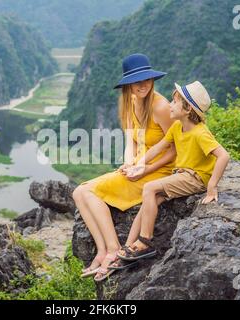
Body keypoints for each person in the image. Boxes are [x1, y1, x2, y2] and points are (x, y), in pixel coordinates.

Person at [72, 53, 176, 281]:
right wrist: (129, 162)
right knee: (78, 192)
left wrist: (143, 169)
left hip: (158, 170)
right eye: (137, 81)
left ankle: (113, 249)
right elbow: (132, 140)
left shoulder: (161, 107)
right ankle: (102, 250)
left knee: (89, 191)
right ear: (128, 84)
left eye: (147, 79)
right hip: (138, 167)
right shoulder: (130, 102)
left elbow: (174, 149)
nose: (143, 85)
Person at [117, 81, 230, 262]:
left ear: (187, 110)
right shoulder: (177, 127)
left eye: (175, 102)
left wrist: (212, 186)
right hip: (181, 175)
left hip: (195, 178)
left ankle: (145, 242)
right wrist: (136, 163)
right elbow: (158, 148)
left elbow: (223, 155)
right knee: (149, 200)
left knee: (149, 188)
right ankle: (130, 245)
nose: (169, 105)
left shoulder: (200, 133)